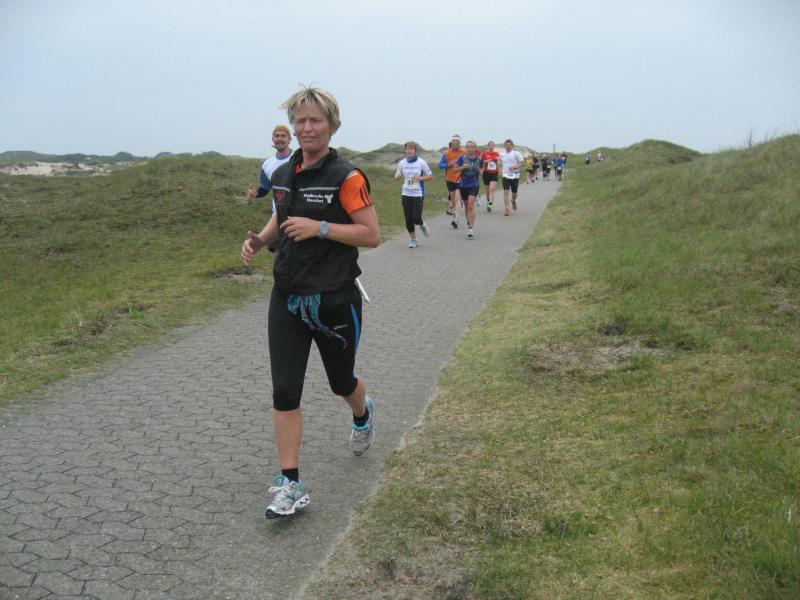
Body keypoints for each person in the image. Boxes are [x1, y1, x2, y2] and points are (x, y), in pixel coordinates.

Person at [241, 86, 381, 519]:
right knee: (285, 391)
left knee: (341, 382)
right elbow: (281, 214)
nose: (306, 128)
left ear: (332, 125)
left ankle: (363, 413)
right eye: (300, 120)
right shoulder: (284, 173)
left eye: (315, 120)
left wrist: (320, 228)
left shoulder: (347, 177)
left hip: (334, 298)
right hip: (287, 296)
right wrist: (261, 239)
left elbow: (371, 234)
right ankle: (291, 482)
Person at [394, 141, 433, 248]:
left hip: (418, 193)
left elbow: (430, 175)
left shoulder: (421, 162)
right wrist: (397, 176)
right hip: (406, 193)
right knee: (408, 219)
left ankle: (421, 223)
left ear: (415, 151)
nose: (409, 151)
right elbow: (397, 175)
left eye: (411, 149)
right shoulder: (402, 163)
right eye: (407, 149)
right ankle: (413, 240)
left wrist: (420, 178)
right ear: (405, 151)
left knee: (416, 218)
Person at [245, 125, 293, 205]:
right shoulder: (267, 164)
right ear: (273, 139)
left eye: (283, 136)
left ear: (289, 139)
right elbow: (264, 188)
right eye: (276, 136)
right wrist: (255, 194)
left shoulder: (299, 158)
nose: (279, 138)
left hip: (299, 210)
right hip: (277, 211)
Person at [454, 139, 482, 238]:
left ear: (475, 148)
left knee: (470, 205)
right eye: (468, 147)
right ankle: (469, 221)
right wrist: (462, 167)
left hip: (474, 184)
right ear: (466, 148)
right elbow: (454, 170)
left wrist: (478, 169)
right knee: (466, 205)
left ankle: (471, 229)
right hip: (463, 184)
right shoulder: (461, 158)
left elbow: (481, 171)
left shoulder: (479, 159)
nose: (470, 149)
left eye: (472, 147)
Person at [438, 135, 465, 228]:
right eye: (453, 141)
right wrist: (449, 164)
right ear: (451, 143)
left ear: (460, 143)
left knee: (457, 198)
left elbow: (470, 161)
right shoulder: (446, 153)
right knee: (453, 200)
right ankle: (455, 214)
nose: (455, 143)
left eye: (457, 141)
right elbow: (440, 165)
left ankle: (456, 218)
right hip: (450, 178)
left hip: (461, 178)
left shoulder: (464, 152)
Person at [499, 139, 524, 216]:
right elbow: (499, 164)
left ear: (512, 146)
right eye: (506, 145)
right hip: (505, 174)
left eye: (509, 145)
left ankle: (513, 200)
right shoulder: (502, 154)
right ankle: (506, 209)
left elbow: (522, 162)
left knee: (514, 193)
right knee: (506, 191)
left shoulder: (516, 153)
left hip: (515, 175)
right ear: (504, 146)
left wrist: (516, 166)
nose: (508, 146)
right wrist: (500, 171)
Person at [480, 141, 500, 212]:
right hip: (486, 173)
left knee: (492, 189)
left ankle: (490, 204)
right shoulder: (484, 153)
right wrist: (487, 161)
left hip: (494, 173)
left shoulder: (496, 154)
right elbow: (481, 162)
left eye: (493, 145)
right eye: (490, 145)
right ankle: (488, 200)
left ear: (494, 146)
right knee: (487, 190)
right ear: (488, 146)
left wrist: (499, 170)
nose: (491, 146)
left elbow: (497, 163)